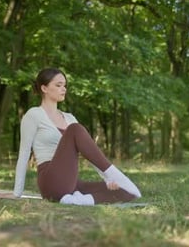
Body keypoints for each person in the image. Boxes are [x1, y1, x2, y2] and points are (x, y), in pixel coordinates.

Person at [11, 67, 141, 206]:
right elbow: (24, 154)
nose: (64, 89)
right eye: (58, 85)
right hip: (50, 180)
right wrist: (17, 193)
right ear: (44, 88)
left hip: (70, 183)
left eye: (65, 85)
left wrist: (108, 180)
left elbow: (91, 154)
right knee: (75, 129)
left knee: (126, 192)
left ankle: (77, 200)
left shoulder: (69, 118)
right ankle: (115, 175)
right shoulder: (34, 115)